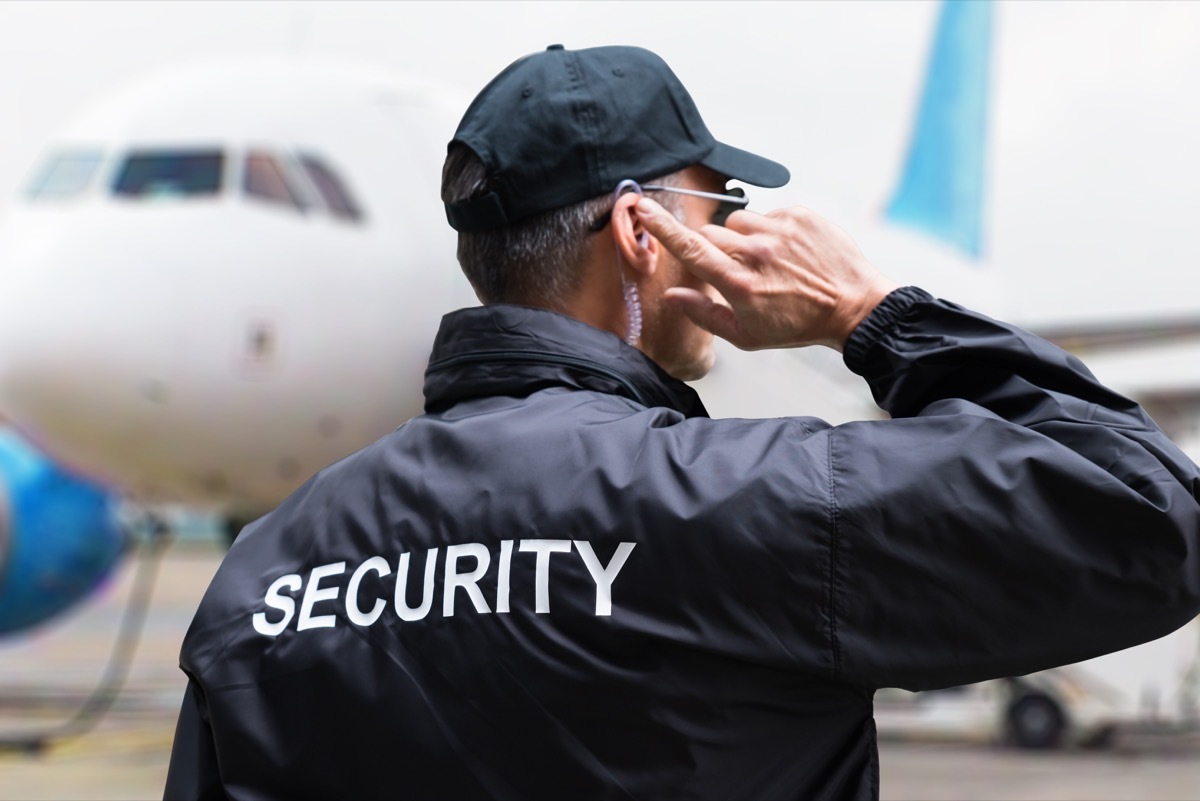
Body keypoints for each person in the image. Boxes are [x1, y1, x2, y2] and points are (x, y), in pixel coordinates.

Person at [164, 44, 1200, 801]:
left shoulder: (264, 572)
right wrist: (872, 316)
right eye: (723, 207)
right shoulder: (750, 501)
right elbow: (1149, 516)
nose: (739, 235)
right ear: (641, 233)